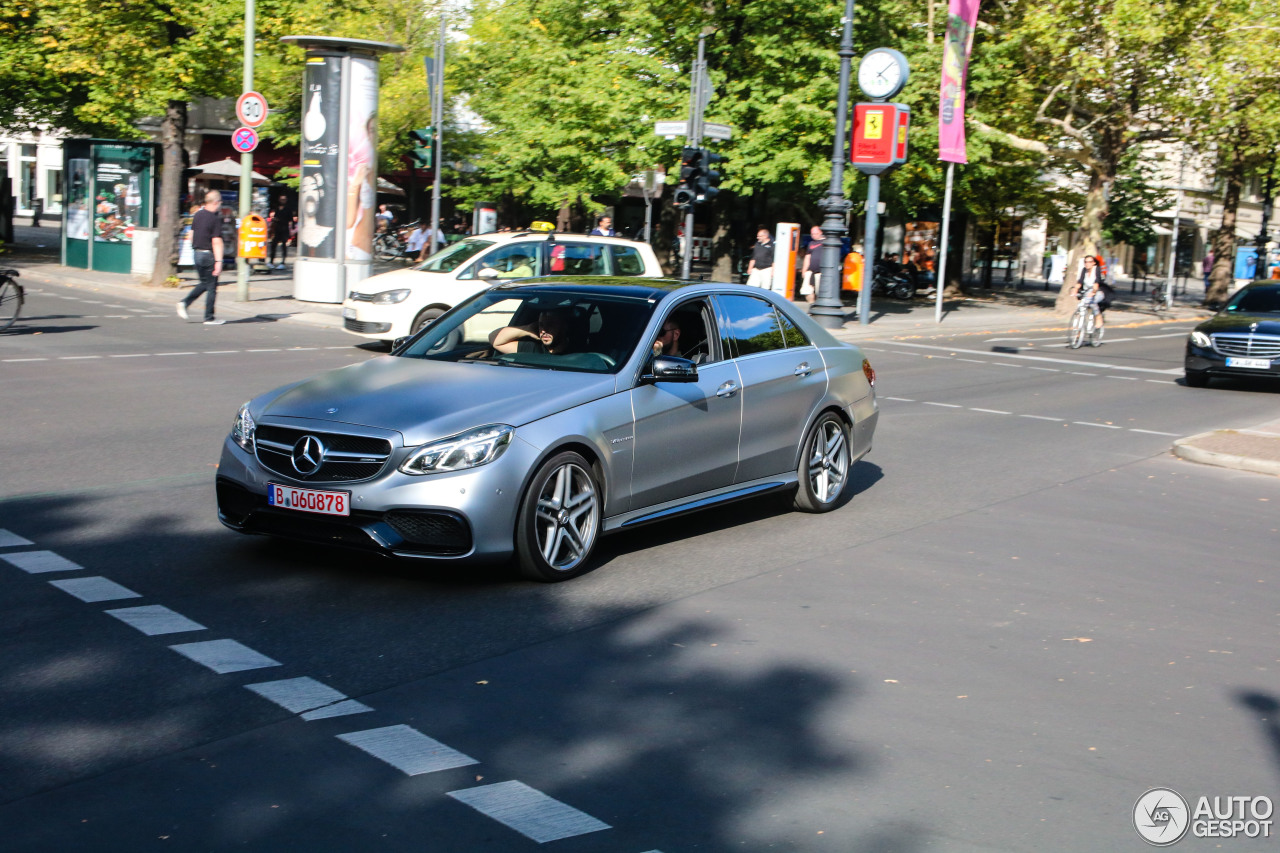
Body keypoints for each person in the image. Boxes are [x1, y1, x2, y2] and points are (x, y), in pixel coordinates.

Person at [177, 190, 226, 325]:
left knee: (204, 283)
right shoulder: (215, 219)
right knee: (212, 287)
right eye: (220, 202)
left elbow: (191, 234)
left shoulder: (198, 215)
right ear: (216, 202)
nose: (220, 205)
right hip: (209, 255)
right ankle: (209, 317)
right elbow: (216, 241)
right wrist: (219, 261)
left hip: (197, 253)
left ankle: (185, 303)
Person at [490, 309, 578, 354]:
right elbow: (495, 340)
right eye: (541, 325)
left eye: (550, 324)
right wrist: (528, 329)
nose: (544, 330)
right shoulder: (533, 348)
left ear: (564, 326)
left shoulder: (578, 352)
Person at [1072, 254, 1111, 331]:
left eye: (1090, 262)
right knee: (1081, 306)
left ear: (1094, 263)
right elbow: (1080, 281)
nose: (1087, 264)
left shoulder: (1097, 269)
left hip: (1098, 292)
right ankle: (1078, 331)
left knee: (1092, 302)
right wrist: (1075, 289)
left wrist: (1093, 292)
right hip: (1087, 292)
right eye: (1086, 262)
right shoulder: (1084, 270)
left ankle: (1098, 317)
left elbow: (1096, 282)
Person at [800, 225, 825, 303]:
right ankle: (811, 305)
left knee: (820, 292)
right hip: (810, 271)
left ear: (821, 232)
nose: (814, 235)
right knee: (806, 290)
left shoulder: (826, 242)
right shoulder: (811, 243)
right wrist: (804, 270)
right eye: (812, 234)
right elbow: (807, 257)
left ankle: (818, 306)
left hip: (821, 272)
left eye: (816, 233)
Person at [267, 197, 294, 271]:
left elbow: (290, 219)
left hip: (284, 229)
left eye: (284, 199)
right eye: (281, 199)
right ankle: (271, 261)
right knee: (273, 245)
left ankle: (282, 262)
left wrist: (291, 229)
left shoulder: (288, 209)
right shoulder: (277, 208)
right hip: (277, 229)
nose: (283, 201)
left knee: (283, 246)